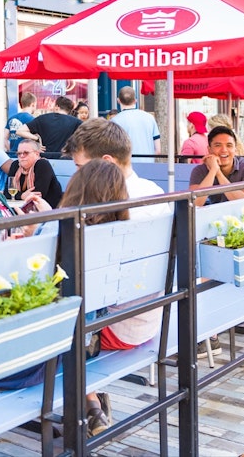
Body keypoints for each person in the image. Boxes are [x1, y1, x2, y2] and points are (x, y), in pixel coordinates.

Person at [58, 160, 157, 436]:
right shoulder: (132, 226)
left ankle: (90, 400)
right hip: (147, 323)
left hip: (112, 331)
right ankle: (92, 402)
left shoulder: (76, 232)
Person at [61, 118, 170, 221]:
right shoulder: (153, 192)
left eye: (80, 167)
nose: (76, 173)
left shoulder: (102, 204)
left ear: (107, 162)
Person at [189, 125, 244, 207]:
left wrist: (218, 173)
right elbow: (194, 204)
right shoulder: (199, 170)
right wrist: (212, 171)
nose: (224, 150)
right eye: (218, 145)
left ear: (235, 149)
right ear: (209, 149)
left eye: (229, 145)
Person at [17, 96, 82, 159]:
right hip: (65, 158)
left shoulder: (42, 118)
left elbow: (20, 131)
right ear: (69, 110)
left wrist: (36, 139)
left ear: (57, 106)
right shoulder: (75, 122)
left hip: (45, 158)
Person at [7, 138, 63, 208]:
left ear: (36, 154)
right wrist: (22, 195)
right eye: (19, 153)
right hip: (22, 208)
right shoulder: (15, 165)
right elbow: (7, 192)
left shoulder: (42, 164)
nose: (21, 156)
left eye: (26, 153)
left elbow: (38, 193)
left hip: (48, 210)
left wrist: (18, 195)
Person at [112, 86, 160, 156]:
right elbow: (158, 150)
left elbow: (113, 149)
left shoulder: (114, 121)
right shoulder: (150, 118)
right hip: (148, 165)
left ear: (118, 101)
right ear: (135, 100)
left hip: (126, 165)